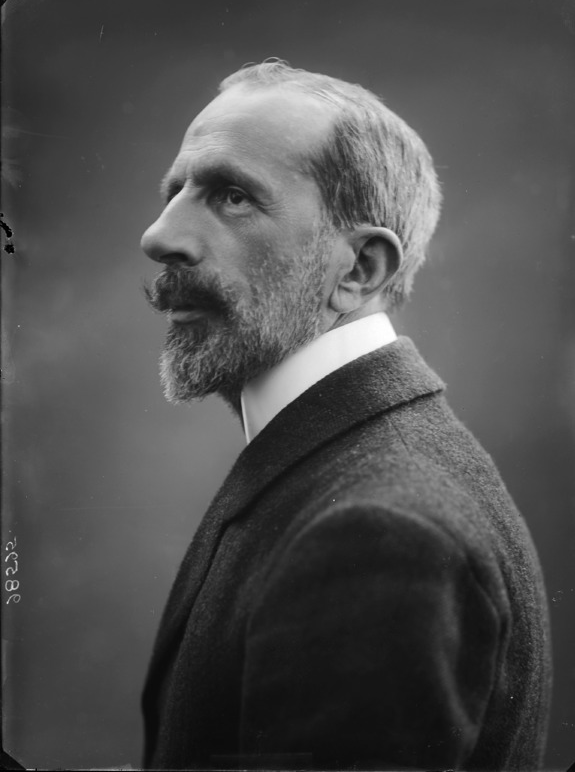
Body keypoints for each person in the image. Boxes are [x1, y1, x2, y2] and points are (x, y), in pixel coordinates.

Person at [140, 60, 552, 771]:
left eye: (232, 196)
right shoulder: (347, 471)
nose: (158, 236)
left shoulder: (377, 533)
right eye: (175, 192)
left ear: (360, 269)